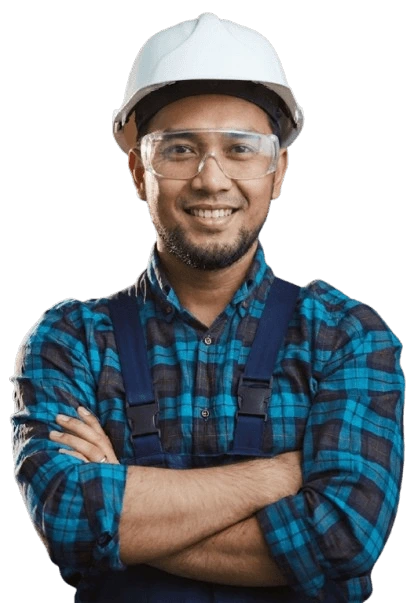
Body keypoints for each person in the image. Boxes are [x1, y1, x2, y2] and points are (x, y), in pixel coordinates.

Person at [10, 13, 405, 603]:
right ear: (139, 171)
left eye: (241, 149)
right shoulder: (70, 341)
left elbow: (343, 539)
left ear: (278, 173)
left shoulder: (346, 335)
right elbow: (68, 521)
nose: (211, 179)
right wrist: (279, 475)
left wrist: (121, 504)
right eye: (180, 149)